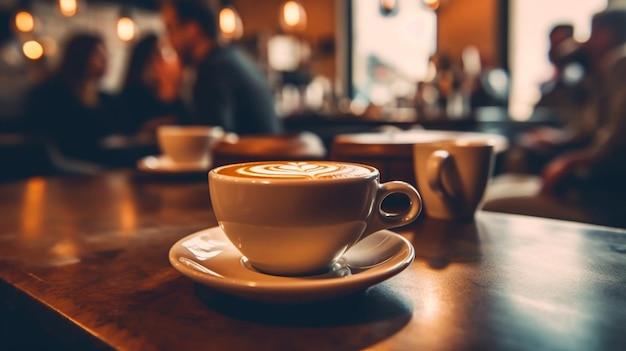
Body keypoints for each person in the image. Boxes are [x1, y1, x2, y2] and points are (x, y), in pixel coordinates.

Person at [483, 8, 626, 228]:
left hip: (599, 201)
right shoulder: (605, 69)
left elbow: (616, 143)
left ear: (607, 34)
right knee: (498, 185)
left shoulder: (620, 61)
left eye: (593, 32)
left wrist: (569, 161)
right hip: (589, 190)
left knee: (486, 203)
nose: (586, 40)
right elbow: (592, 127)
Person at [160, 0, 282, 135]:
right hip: (265, 154)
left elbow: (209, 141)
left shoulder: (214, 70)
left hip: (254, 155)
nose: (169, 40)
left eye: (170, 29)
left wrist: (174, 95)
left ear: (192, 29)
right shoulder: (230, 58)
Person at [24, 32, 116, 172]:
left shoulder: (106, 98)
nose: (105, 59)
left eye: (106, 54)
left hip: (105, 164)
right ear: (80, 56)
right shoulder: (52, 94)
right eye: (97, 54)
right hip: (68, 168)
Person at [116, 33, 187, 139]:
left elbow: (186, 124)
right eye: (158, 54)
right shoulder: (132, 93)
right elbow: (126, 131)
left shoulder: (169, 90)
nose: (164, 59)